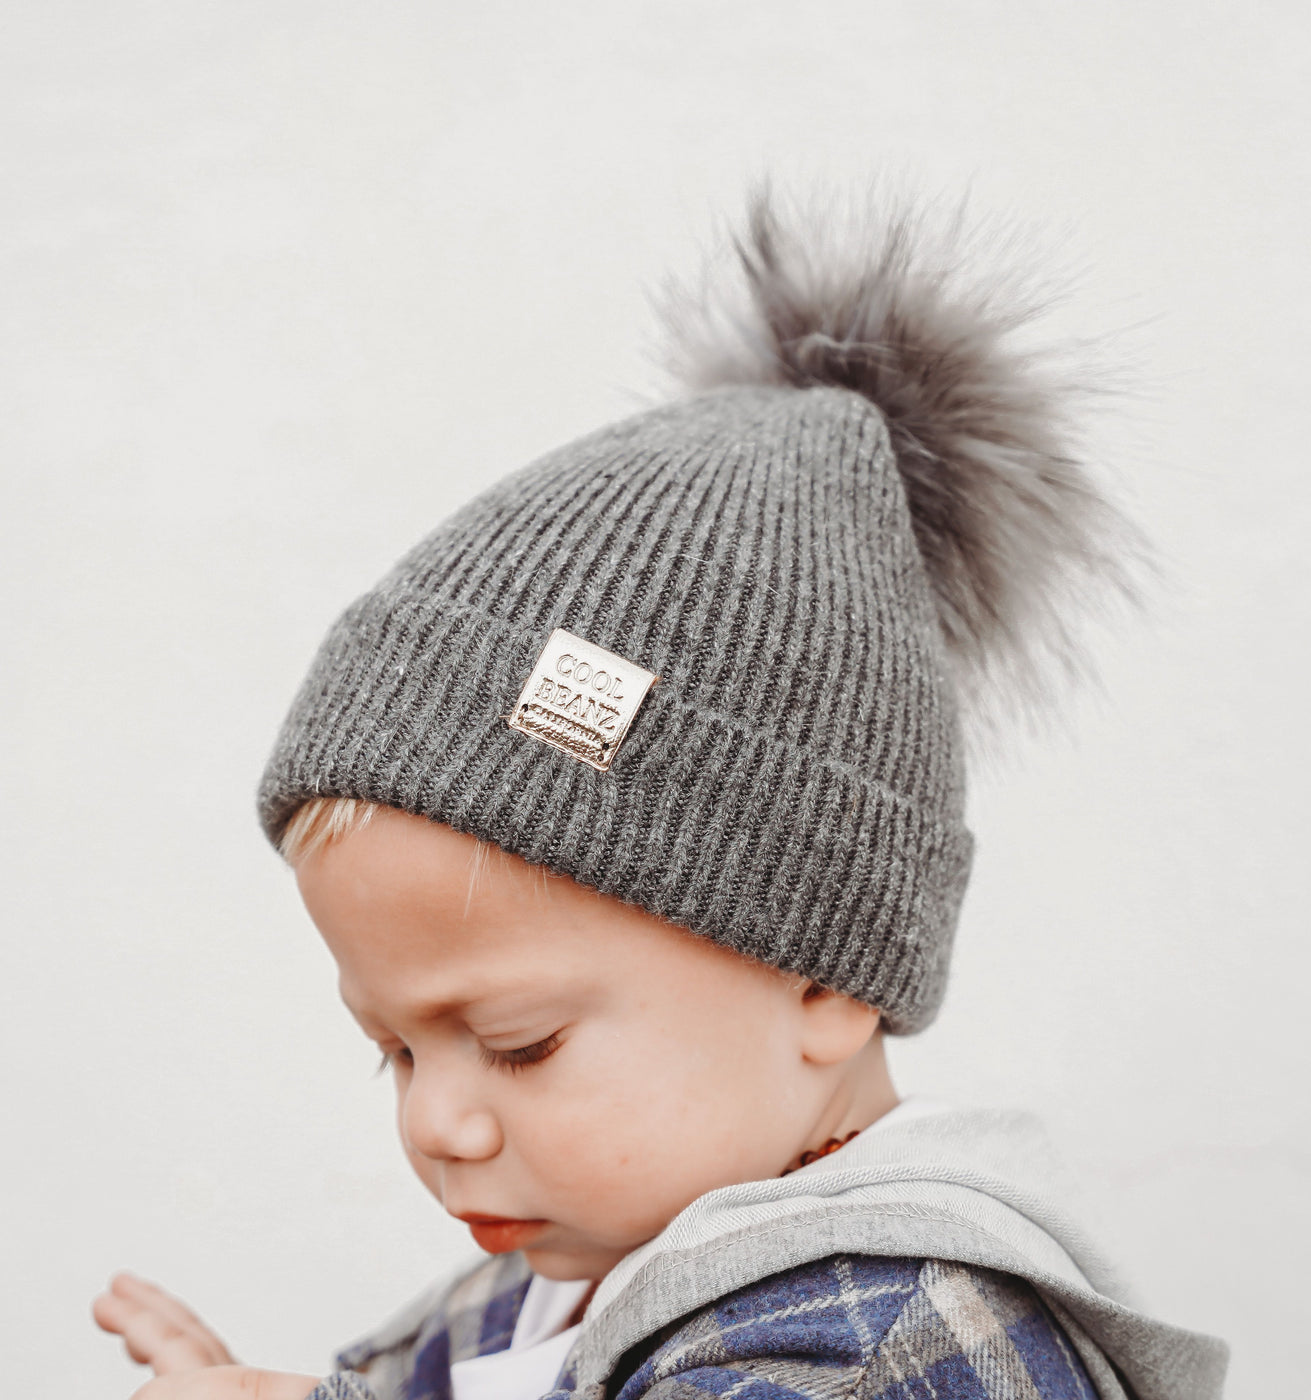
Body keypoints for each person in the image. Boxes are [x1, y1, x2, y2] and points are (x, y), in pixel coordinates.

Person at [92, 190, 1229, 1400]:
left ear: (822, 979)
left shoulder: (884, 1338)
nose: (436, 1124)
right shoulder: (557, 1272)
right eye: (396, 1052)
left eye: (519, 1044)